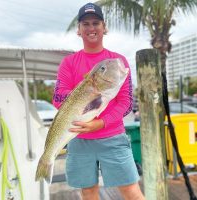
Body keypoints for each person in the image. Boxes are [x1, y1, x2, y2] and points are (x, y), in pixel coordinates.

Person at [53, 2, 145, 200]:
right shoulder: (68, 63)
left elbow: (126, 103)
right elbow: (58, 98)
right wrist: (85, 90)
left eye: (96, 23)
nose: (91, 28)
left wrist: (101, 123)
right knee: (88, 193)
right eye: (85, 24)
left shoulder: (117, 61)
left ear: (104, 27)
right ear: (79, 30)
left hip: (113, 138)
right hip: (79, 139)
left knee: (132, 192)